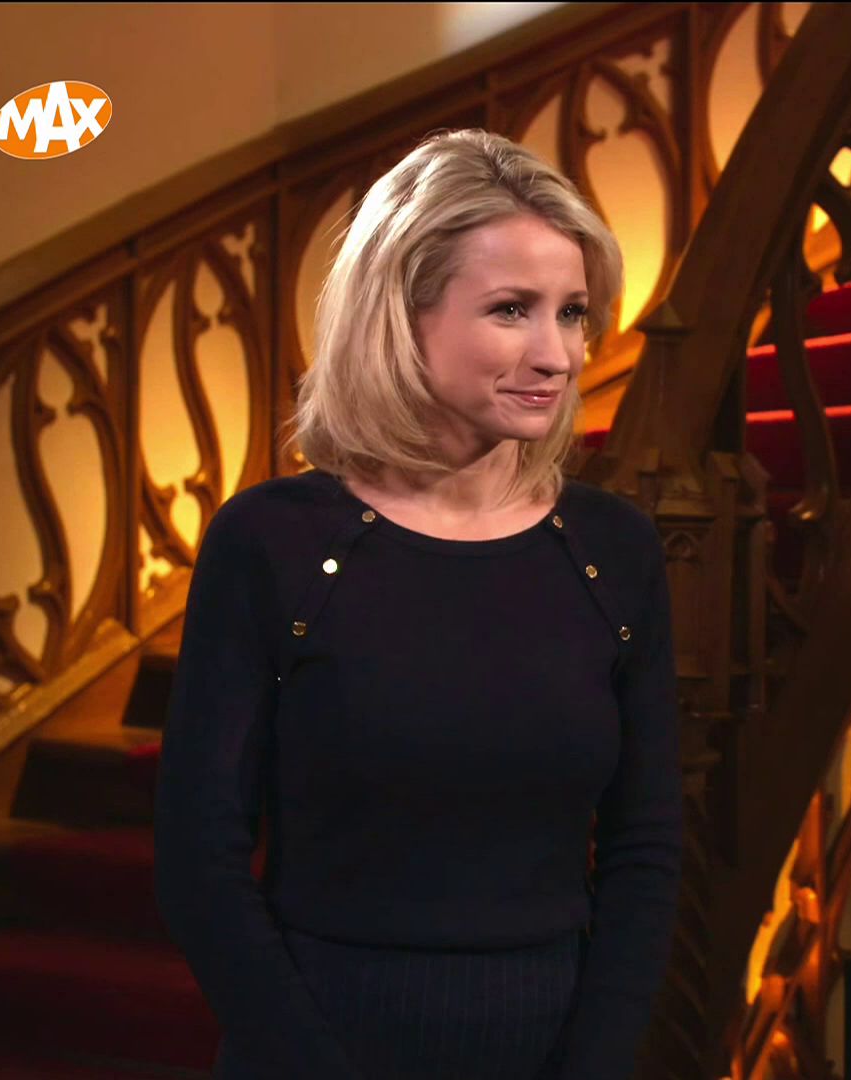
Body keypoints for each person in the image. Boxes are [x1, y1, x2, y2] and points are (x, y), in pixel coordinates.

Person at [154, 129, 683, 1080]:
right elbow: (201, 859)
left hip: (553, 1044)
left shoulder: (614, 548)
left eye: (572, 313)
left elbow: (645, 848)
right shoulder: (271, 543)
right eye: (512, 310)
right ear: (401, 316)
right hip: (317, 1044)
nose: (557, 355)